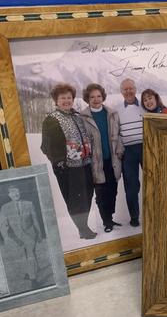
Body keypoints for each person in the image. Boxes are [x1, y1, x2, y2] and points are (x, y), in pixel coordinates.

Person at [41, 82, 96, 239]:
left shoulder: (78, 117)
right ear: (56, 100)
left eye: (69, 97)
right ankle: (83, 229)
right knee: (75, 200)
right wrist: (59, 163)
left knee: (87, 196)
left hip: (85, 164)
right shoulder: (52, 119)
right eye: (62, 98)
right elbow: (46, 146)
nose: (66, 101)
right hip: (69, 168)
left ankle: (82, 226)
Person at [80, 83, 124, 233]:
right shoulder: (83, 117)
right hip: (96, 162)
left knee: (113, 191)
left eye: (98, 96)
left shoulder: (112, 113)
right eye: (92, 97)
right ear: (87, 99)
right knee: (101, 194)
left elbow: (119, 135)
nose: (96, 99)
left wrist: (119, 149)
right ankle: (106, 221)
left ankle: (110, 218)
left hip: (112, 161)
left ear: (103, 97)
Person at [114, 78, 143, 227]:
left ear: (135, 89)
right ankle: (134, 216)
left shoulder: (144, 106)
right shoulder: (117, 109)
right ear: (121, 92)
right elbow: (115, 132)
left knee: (154, 181)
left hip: (146, 148)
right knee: (131, 186)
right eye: (125, 89)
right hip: (128, 151)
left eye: (131, 88)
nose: (128, 91)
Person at [0, 186, 43, 283]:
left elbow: (35, 220)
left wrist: (39, 233)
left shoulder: (29, 204)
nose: (16, 194)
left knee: (30, 254)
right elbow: (3, 225)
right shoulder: (5, 208)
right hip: (15, 236)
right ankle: (33, 270)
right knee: (25, 255)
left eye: (17, 192)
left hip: (30, 234)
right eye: (13, 192)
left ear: (20, 192)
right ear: (9, 195)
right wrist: (8, 238)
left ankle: (33, 279)